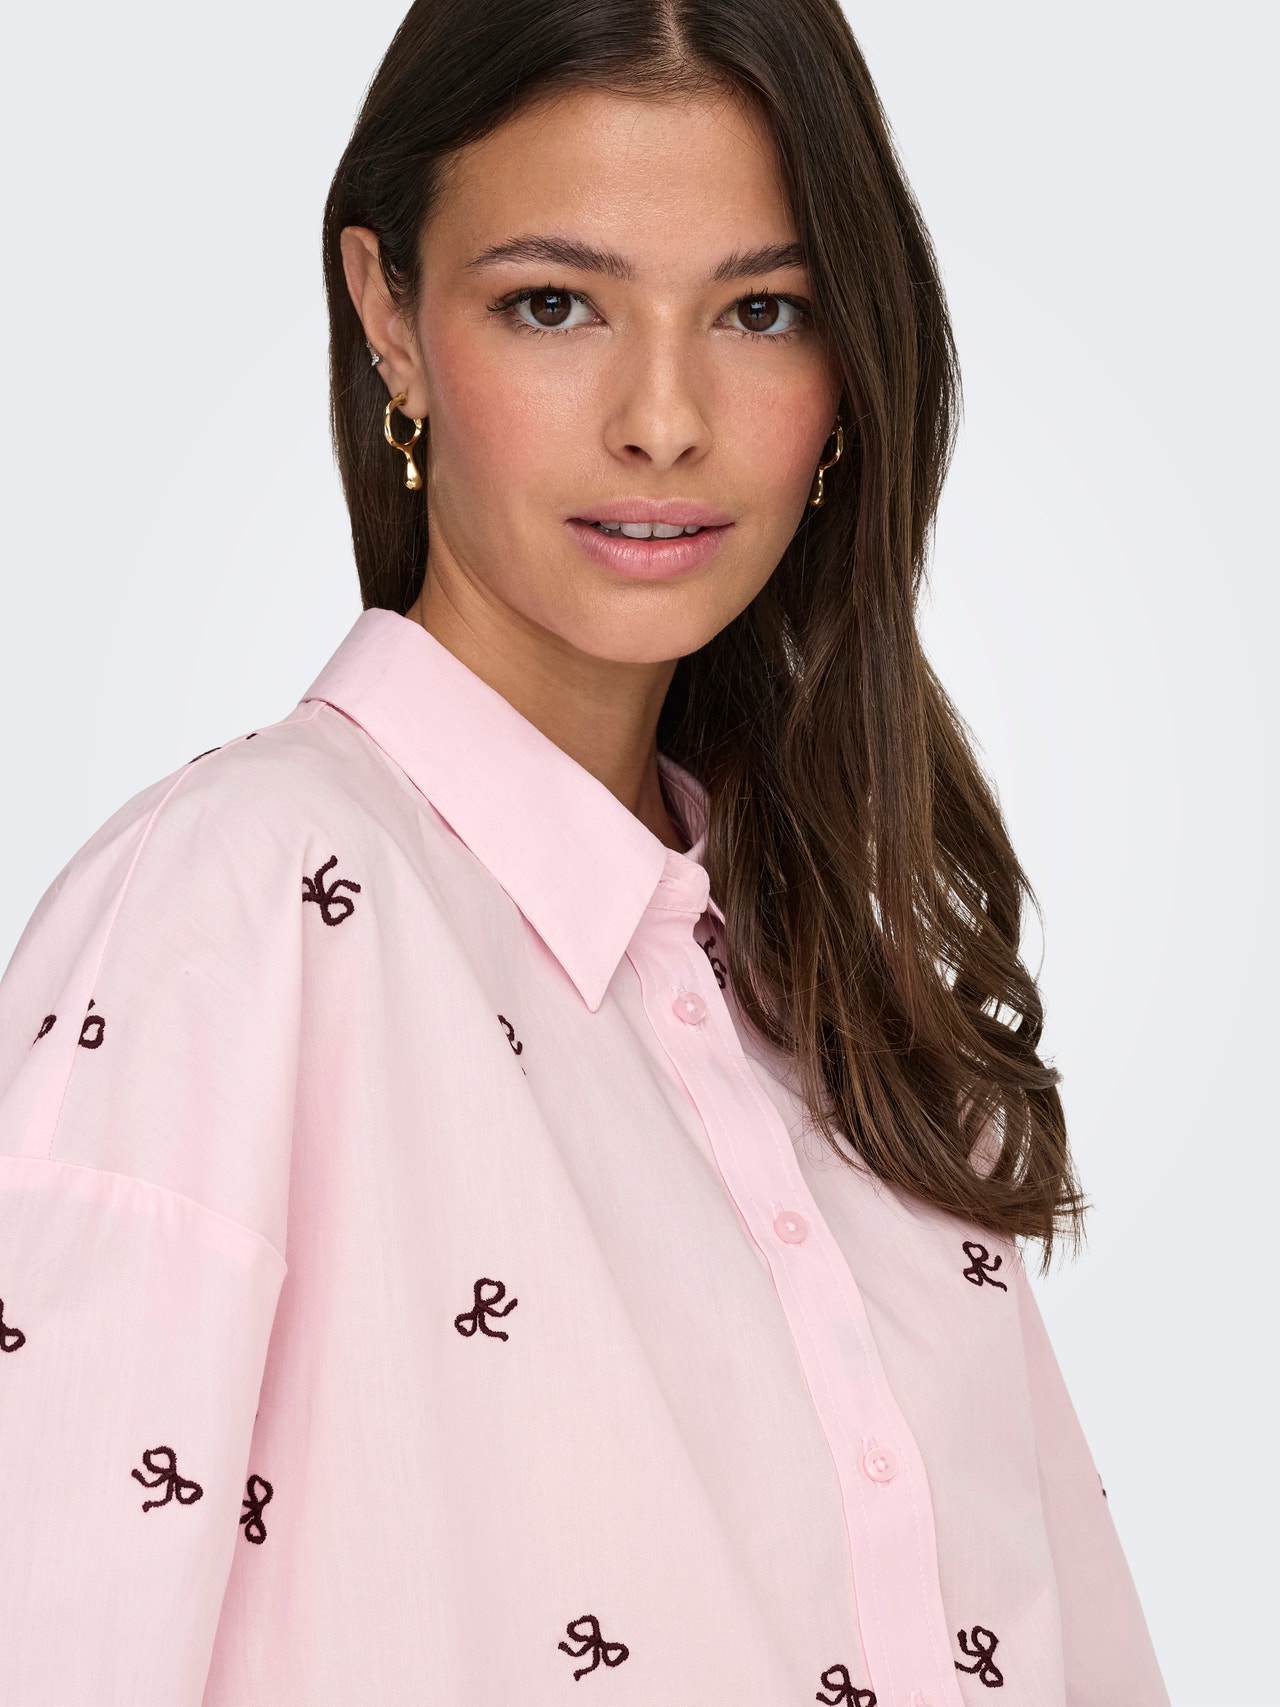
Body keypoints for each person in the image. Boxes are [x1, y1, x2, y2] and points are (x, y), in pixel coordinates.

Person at [0, 1, 1170, 1702]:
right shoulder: (232, 917)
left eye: (761, 311)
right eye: (554, 303)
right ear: (389, 316)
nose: (664, 419)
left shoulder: (827, 1009)